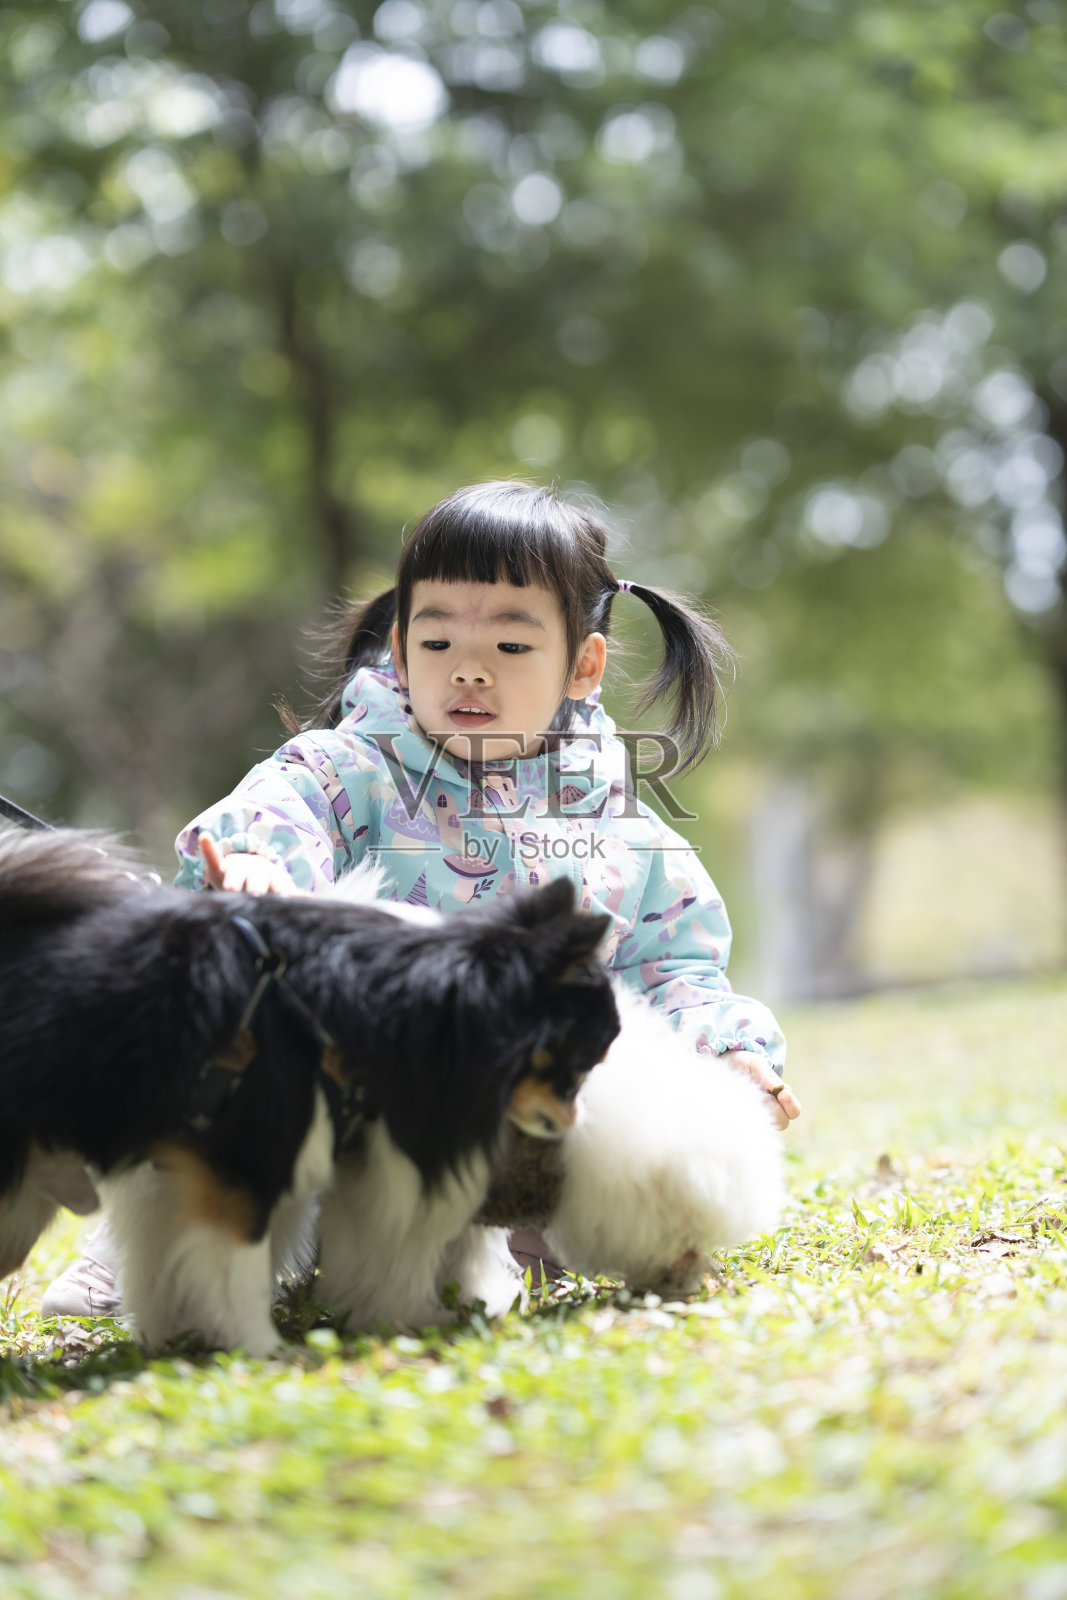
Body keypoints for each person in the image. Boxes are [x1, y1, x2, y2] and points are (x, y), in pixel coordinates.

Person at [41, 480, 798, 1317]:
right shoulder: (352, 768)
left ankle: (517, 1249)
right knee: (227, 1055)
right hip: (341, 1107)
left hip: (498, 1135)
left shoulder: (621, 829)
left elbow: (674, 972)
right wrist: (256, 862)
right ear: (399, 652)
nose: (468, 668)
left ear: (582, 666)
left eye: (511, 645)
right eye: (437, 641)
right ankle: (148, 1248)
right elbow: (281, 810)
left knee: (608, 1147)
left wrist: (730, 1050)